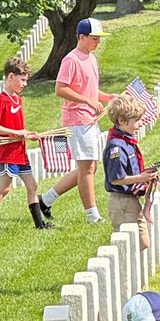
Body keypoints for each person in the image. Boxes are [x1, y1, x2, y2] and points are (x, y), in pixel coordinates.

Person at [38, 18, 115, 225]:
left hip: (89, 118)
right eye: (94, 38)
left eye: (99, 38)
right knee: (87, 168)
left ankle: (45, 200)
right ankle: (92, 215)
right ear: (81, 37)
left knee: (89, 168)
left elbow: (89, 89)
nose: (97, 42)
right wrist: (88, 101)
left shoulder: (91, 59)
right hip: (77, 119)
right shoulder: (71, 60)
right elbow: (60, 89)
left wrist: (106, 97)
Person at [0, 59, 49, 230]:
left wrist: (28, 134)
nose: (25, 84)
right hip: (8, 153)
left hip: (20, 152)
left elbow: (18, 127)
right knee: (5, 188)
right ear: (11, 77)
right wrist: (18, 133)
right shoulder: (2, 100)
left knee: (32, 185)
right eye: (22, 80)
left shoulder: (18, 100)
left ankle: (40, 225)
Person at [102, 92, 160, 250]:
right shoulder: (116, 146)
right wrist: (141, 177)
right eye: (137, 120)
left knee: (142, 243)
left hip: (131, 199)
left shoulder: (126, 142)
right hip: (122, 202)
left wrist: (145, 175)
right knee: (130, 246)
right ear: (122, 121)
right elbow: (116, 179)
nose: (141, 123)